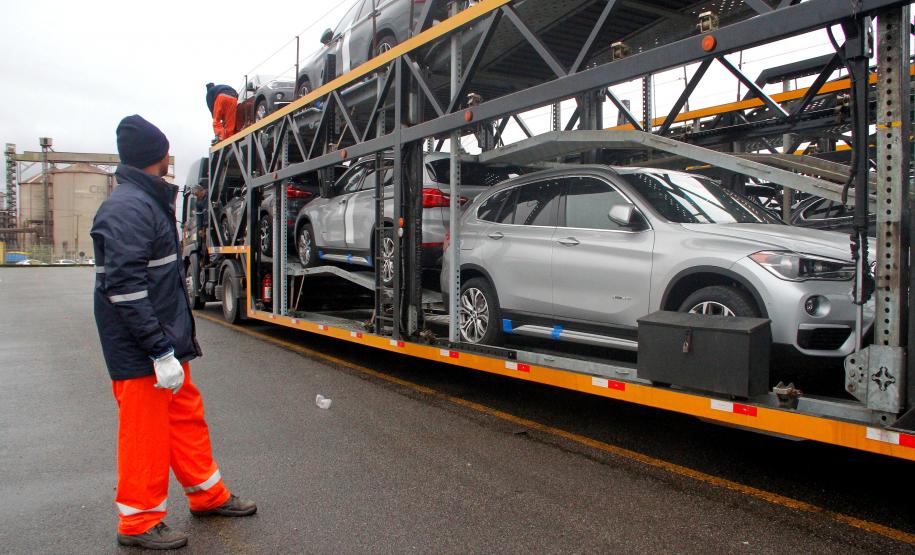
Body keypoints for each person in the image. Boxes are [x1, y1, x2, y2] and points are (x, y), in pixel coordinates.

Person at [91, 115, 256, 550]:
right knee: (145, 434)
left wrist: (169, 348)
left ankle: (207, 495)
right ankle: (139, 522)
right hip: (143, 348)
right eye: (166, 150)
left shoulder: (143, 201)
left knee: (184, 417)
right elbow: (125, 291)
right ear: (157, 156)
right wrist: (158, 349)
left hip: (162, 343)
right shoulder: (129, 208)